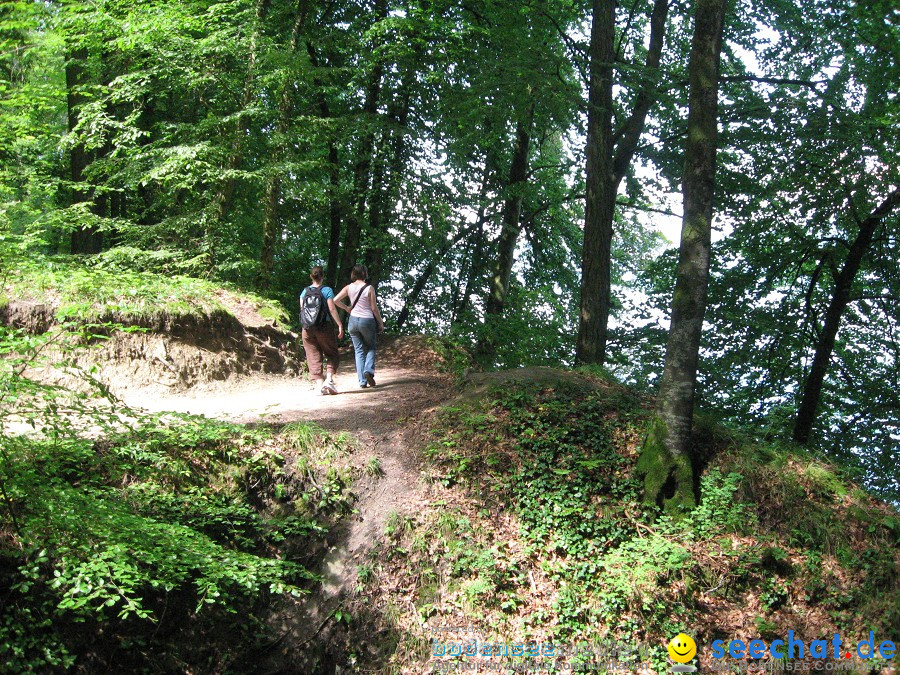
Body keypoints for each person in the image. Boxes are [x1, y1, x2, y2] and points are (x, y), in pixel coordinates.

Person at [334, 264, 384, 389]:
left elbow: (335, 300)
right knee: (371, 347)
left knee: (359, 350)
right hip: (367, 320)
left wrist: (347, 308)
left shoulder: (348, 287)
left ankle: (362, 381)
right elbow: (373, 308)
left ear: (354, 274)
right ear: (364, 274)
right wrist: (380, 322)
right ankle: (368, 370)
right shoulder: (369, 288)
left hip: (353, 321)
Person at [299, 266, 343, 395]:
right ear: (322, 276)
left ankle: (319, 385)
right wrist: (339, 324)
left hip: (307, 328)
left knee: (312, 355)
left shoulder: (304, 292)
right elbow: (332, 309)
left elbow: (302, 310)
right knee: (332, 353)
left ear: (311, 276)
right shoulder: (326, 290)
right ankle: (328, 380)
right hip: (324, 326)